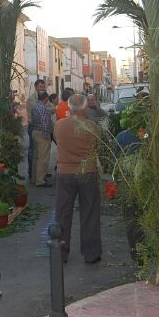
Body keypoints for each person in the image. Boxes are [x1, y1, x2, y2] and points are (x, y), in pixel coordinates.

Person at [54, 94, 102, 263]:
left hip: (65, 173)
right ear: (85, 107)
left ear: (69, 107)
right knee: (90, 212)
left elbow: (57, 141)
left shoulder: (59, 125)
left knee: (63, 213)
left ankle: (60, 252)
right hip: (87, 172)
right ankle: (91, 253)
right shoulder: (92, 126)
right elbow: (97, 146)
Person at [31, 92, 55, 187]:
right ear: (46, 98)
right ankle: (40, 180)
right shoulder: (43, 108)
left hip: (35, 132)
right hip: (42, 134)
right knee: (43, 158)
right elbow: (45, 123)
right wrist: (47, 136)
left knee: (36, 157)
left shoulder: (36, 106)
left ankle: (35, 178)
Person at [26, 79, 46, 181]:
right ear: (35, 87)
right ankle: (31, 172)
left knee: (41, 151)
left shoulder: (43, 97)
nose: (42, 88)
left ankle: (40, 173)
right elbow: (40, 111)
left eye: (43, 87)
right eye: (40, 87)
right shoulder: (32, 99)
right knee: (33, 150)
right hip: (33, 126)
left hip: (42, 127)